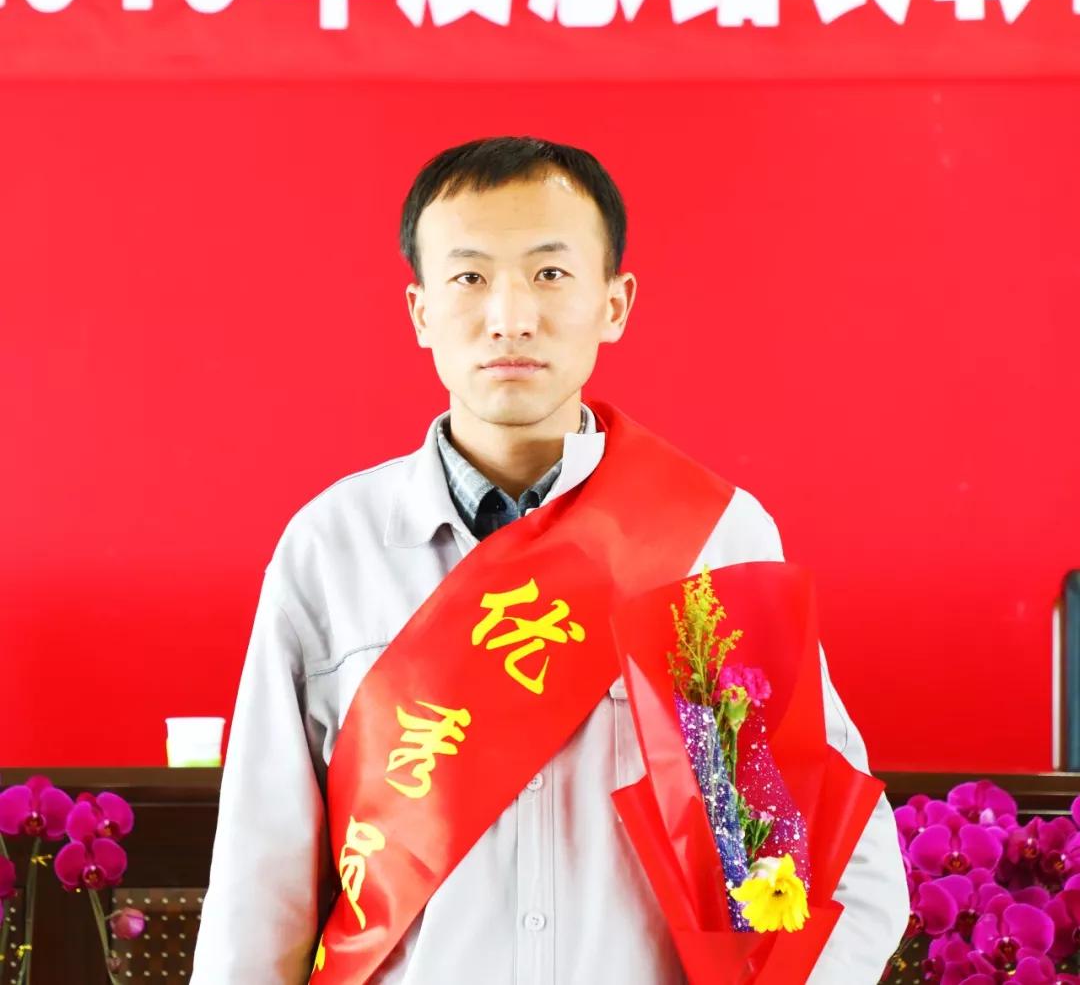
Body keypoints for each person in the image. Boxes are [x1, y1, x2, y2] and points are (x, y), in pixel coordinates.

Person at [190, 135, 908, 985]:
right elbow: (260, 881)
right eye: (469, 278)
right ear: (420, 312)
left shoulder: (712, 537)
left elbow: (841, 866)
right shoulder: (331, 548)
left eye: (550, 273)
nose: (511, 316)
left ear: (614, 303)